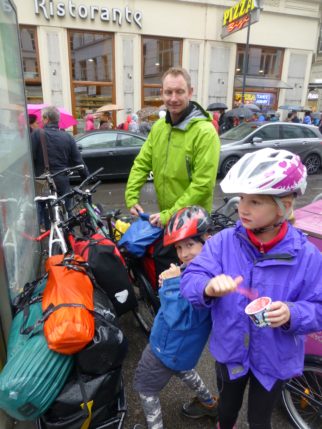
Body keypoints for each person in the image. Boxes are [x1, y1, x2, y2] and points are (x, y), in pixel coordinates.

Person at [180, 148, 322, 429]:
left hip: (274, 360)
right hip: (231, 351)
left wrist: (292, 314)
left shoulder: (306, 256)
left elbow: (318, 307)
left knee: (259, 419)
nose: (243, 208)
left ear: (285, 205)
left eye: (255, 201)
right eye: (242, 199)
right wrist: (207, 286)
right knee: (227, 410)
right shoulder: (222, 242)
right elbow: (190, 278)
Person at [133, 206, 218, 429]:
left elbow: (177, 320)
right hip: (182, 352)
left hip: (165, 348)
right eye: (179, 248)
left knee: (145, 389)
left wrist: (170, 285)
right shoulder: (207, 268)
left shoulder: (204, 283)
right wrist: (176, 276)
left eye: (190, 245)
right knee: (184, 369)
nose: (184, 254)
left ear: (206, 239)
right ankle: (209, 403)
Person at [125, 67, 220, 227]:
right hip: (167, 218)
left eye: (179, 92)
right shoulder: (159, 127)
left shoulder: (205, 132)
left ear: (190, 92)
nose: (173, 98)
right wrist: (131, 196)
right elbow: (142, 163)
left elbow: (203, 184)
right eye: (168, 92)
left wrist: (170, 215)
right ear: (162, 93)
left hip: (193, 222)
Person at [31, 106, 89, 225]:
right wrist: (86, 178)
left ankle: (49, 233)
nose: (41, 121)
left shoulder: (37, 134)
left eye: (43, 118)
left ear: (46, 119)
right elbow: (78, 161)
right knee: (68, 211)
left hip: (42, 180)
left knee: (44, 209)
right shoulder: (67, 137)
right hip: (62, 178)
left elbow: (31, 158)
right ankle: (69, 235)